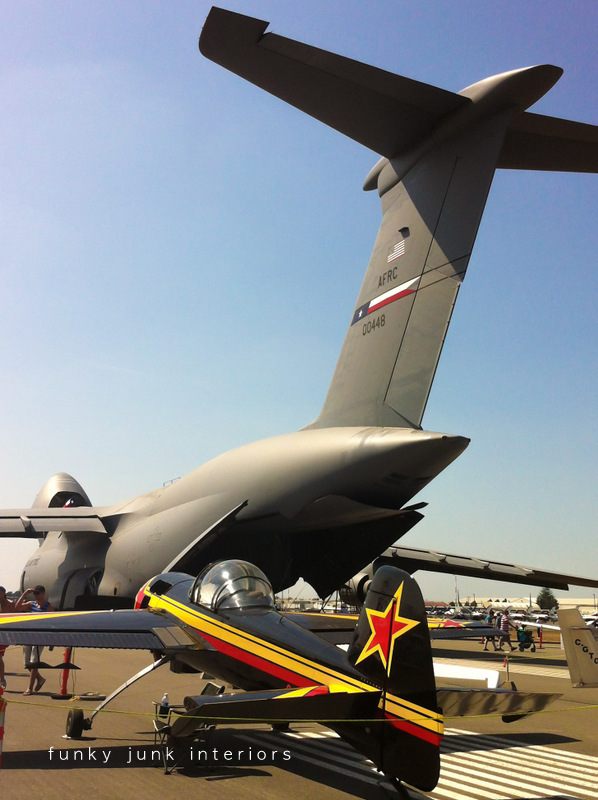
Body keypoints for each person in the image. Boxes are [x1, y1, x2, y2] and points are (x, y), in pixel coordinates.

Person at [15, 585, 54, 695]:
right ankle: (40, 679)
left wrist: (52, 642)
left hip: (39, 637)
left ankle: (30, 688)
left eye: (38, 593)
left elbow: (53, 623)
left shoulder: (48, 607)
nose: (36, 595)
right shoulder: (31, 604)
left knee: (34, 662)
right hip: (28, 636)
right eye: (35, 593)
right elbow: (17, 607)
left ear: (43, 593)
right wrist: (25, 594)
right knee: (27, 663)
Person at [0, 586, 16, 689]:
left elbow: (14, 618)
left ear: (4, 593)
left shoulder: (9, 604)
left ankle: (2, 679)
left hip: (3, 634)